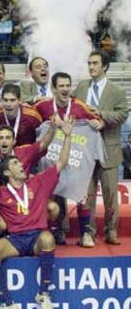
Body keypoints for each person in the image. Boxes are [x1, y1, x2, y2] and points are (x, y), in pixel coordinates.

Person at [0, 117, 73, 309]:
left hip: (35, 238)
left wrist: (67, 135)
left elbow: (61, 162)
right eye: (16, 163)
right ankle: (7, 304)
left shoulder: (38, 181)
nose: (21, 164)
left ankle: (43, 293)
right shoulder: (2, 192)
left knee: (48, 239)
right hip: (15, 239)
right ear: (7, 172)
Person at [35, 71, 104, 246]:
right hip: (53, 158)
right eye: (61, 86)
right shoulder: (43, 106)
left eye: (68, 85)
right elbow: (30, 118)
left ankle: (85, 233)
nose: (65, 89)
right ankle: (57, 231)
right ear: (53, 88)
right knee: (53, 196)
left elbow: (97, 120)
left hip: (75, 159)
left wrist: (100, 122)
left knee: (81, 195)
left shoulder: (79, 106)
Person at [73, 50, 129, 245]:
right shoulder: (80, 87)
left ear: (104, 66)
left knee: (110, 195)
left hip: (109, 149)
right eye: (89, 63)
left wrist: (102, 118)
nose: (91, 67)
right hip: (85, 151)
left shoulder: (117, 91)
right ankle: (87, 233)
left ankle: (111, 232)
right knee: (86, 196)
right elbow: (73, 110)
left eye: (95, 63)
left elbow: (123, 114)